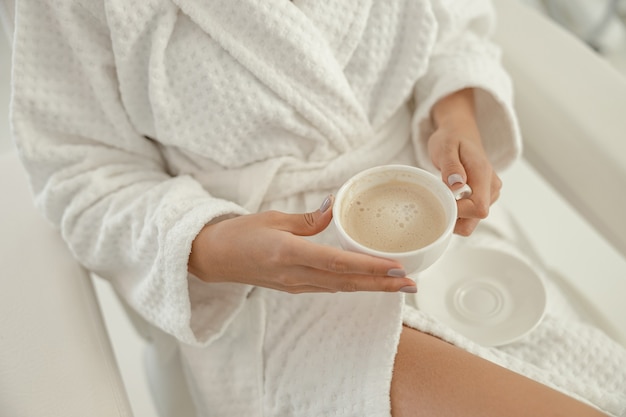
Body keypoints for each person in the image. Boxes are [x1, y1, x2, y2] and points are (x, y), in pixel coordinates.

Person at [10, 0, 625, 415]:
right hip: (266, 292)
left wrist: (455, 115)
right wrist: (215, 243)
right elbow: (78, 170)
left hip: (439, 221)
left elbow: (454, 24)